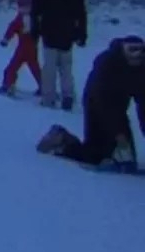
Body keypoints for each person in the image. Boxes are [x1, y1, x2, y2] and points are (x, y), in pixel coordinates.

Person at [36, 35, 145, 171]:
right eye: (132, 50)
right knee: (94, 156)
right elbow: (104, 104)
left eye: (141, 50)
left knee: (129, 159)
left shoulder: (142, 68)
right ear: (123, 50)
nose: (137, 55)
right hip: (96, 104)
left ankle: (116, 154)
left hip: (120, 107)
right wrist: (118, 134)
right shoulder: (107, 64)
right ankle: (61, 139)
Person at [31, 0, 88, 111]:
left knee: (49, 66)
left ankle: (48, 97)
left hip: (49, 29)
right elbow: (81, 12)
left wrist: (34, 30)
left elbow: (35, 10)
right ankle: (67, 95)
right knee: (66, 67)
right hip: (68, 30)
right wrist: (82, 32)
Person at [0, 0, 42, 96]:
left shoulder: (35, 18)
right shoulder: (20, 18)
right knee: (13, 68)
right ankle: (8, 84)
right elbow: (12, 28)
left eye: (26, 6)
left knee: (34, 69)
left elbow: (42, 29)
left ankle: (44, 87)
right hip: (22, 48)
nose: (23, 9)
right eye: (21, 6)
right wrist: (6, 39)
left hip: (30, 49)